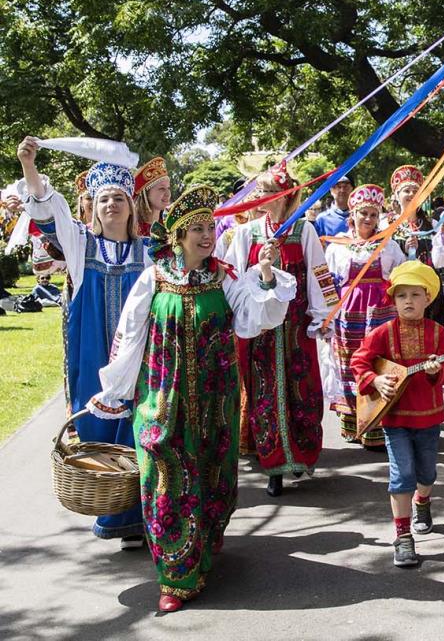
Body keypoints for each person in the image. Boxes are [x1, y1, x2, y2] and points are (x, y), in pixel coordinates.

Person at [87, 185, 295, 612]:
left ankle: (205, 543)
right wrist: (115, 391)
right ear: (178, 236)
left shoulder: (226, 277)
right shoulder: (154, 276)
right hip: (162, 401)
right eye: (197, 229)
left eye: (210, 229)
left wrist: (269, 276)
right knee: (164, 478)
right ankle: (175, 577)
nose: (206, 236)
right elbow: (129, 337)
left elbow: (255, 320)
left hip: (216, 400)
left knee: (214, 474)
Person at [15, 136, 149, 546]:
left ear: (130, 206)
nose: (112, 205)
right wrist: (29, 165)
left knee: (138, 423)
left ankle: (140, 517)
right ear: (94, 206)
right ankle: (110, 511)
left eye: (119, 198)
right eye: (104, 198)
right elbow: (47, 206)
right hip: (91, 350)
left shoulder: (148, 252)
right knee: (96, 420)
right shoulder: (81, 244)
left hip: (138, 352)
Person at [224, 162, 333, 496]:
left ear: (284, 195)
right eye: (258, 191)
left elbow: (318, 273)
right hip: (259, 330)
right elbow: (231, 274)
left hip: (296, 327)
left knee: (303, 389)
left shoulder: (304, 230)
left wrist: (323, 315)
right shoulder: (247, 232)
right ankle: (273, 465)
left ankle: (300, 456)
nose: (260, 196)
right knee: (264, 393)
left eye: (267, 191)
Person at [351, 260, 444, 568]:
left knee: (427, 474)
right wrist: (376, 380)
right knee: (402, 475)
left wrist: (436, 372)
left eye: (414, 294)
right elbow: (360, 362)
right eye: (401, 295)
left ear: (427, 298)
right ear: (393, 300)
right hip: (394, 419)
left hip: (429, 417)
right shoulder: (382, 333)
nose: (407, 301)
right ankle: (403, 537)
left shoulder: (439, 335)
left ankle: (423, 501)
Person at [322, 184, 402, 448]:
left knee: (377, 362)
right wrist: (326, 317)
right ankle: (352, 421)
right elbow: (328, 283)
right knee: (349, 362)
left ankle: (376, 425)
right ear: (353, 215)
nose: (368, 219)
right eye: (363, 213)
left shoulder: (388, 245)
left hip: (380, 312)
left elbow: (400, 274)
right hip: (348, 313)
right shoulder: (337, 247)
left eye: (373, 214)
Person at [386, 165, 444, 325]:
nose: (412, 194)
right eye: (407, 191)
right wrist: (404, 251)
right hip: (401, 291)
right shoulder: (386, 226)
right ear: (397, 195)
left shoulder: (432, 224)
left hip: (429, 290)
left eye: (416, 191)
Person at [133, 157, 172, 238]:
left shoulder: (170, 228)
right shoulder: (132, 229)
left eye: (168, 188)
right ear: (145, 194)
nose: (168, 194)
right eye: (161, 189)